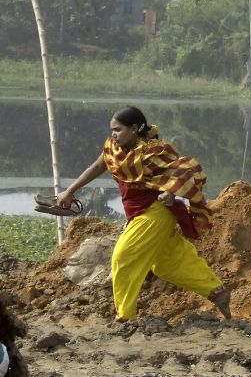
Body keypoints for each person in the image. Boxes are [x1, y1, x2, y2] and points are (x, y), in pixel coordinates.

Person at [57, 106, 231, 322]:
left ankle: (124, 317)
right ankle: (217, 292)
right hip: (138, 213)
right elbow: (96, 166)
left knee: (123, 256)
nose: (113, 134)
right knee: (167, 263)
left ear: (134, 129)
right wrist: (70, 191)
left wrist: (169, 192)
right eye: (111, 129)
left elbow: (187, 170)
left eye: (118, 130)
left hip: (155, 213)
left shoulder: (155, 151)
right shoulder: (113, 150)